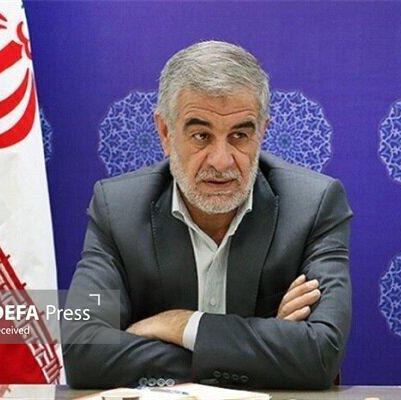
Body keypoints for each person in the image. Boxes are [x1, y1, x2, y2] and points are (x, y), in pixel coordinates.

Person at [63, 41, 353, 390]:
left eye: (240, 136)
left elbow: (320, 354)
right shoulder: (118, 209)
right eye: (201, 135)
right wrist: (263, 349)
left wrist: (181, 325)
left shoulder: (314, 206)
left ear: (262, 132)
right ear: (165, 132)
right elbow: (83, 352)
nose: (221, 161)